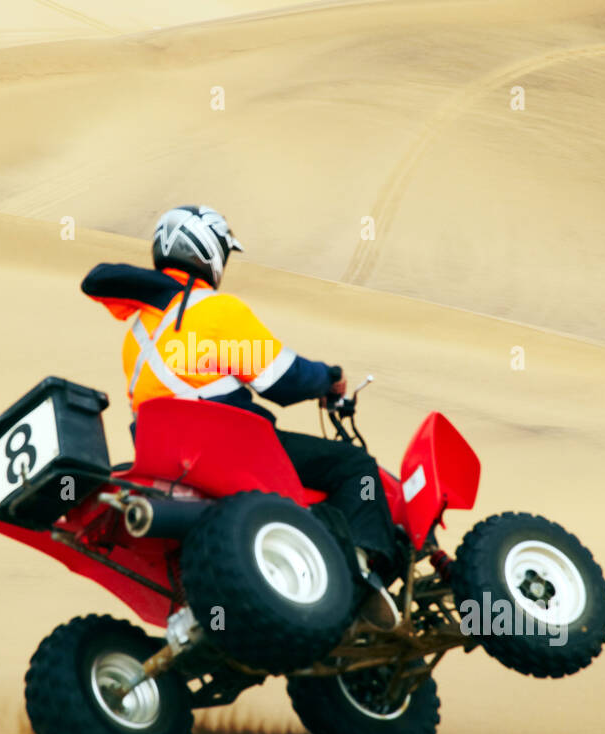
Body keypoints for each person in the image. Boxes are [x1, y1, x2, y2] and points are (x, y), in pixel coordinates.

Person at [80, 205, 404, 585]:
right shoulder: (215, 311)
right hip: (231, 450)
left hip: (167, 463)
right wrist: (328, 378)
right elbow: (283, 379)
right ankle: (362, 565)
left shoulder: (138, 333)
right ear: (207, 251)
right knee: (354, 467)